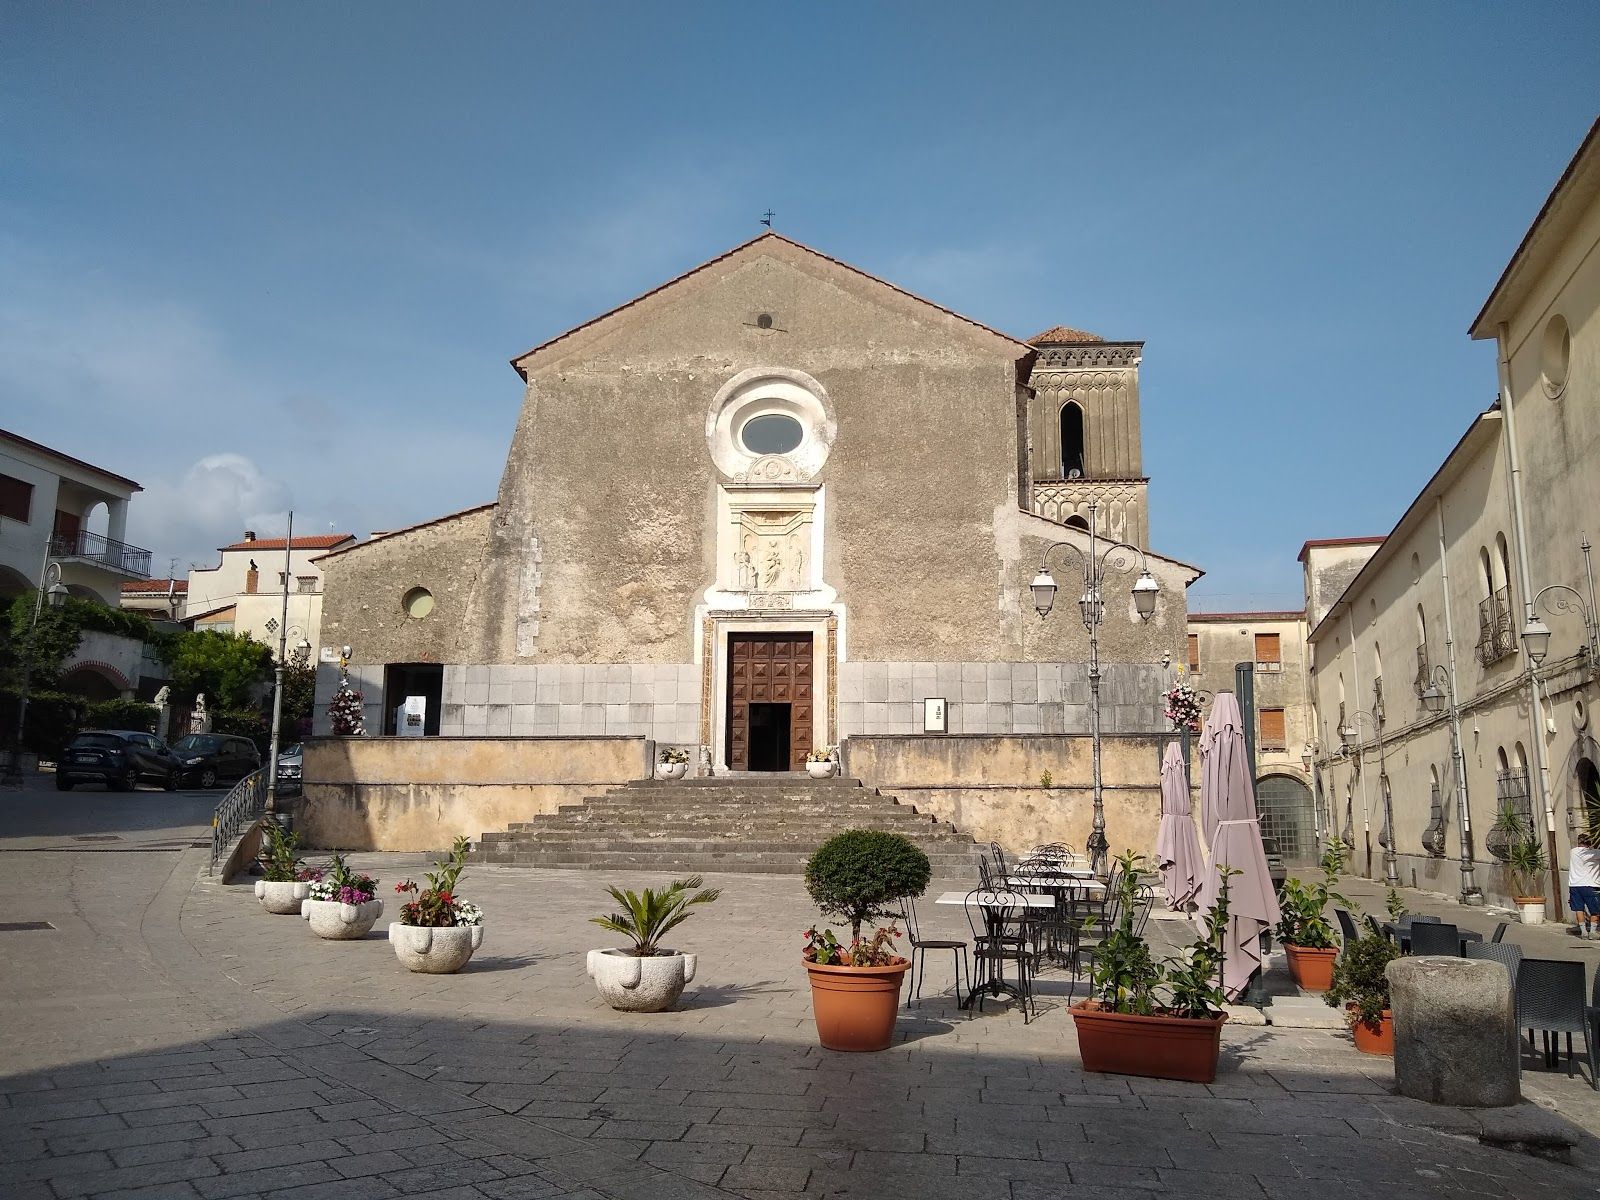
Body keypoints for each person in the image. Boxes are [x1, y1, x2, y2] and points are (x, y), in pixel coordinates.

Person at [1567, 831, 1600, 939]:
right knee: (1595, 909)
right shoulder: (1593, 853)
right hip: (1589, 884)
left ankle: (1583, 932)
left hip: (1574, 885)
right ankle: (1593, 932)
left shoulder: (1572, 852)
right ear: (1589, 843)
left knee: (1579, 909)